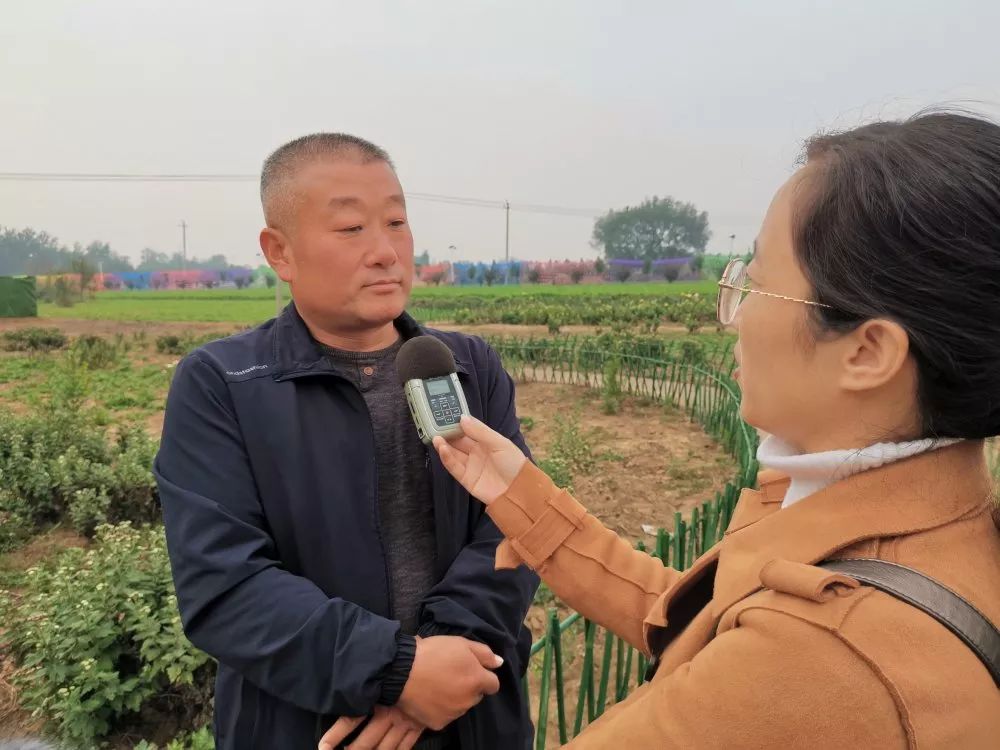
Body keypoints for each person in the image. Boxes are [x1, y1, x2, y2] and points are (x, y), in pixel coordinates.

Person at [427, 112, 1000, 747]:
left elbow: (749, 666)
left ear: (868, 352)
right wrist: (522, 496)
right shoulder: (922, 526)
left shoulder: (819, 661)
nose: (734, 313)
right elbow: (694, 622)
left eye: (756, 285)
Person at [155, 133, 538, 750]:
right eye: (352, 228)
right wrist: (395, 671)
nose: (386, 251)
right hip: (314, 726)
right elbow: (225, 584)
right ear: (279, 251)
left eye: (396, 222)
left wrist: (438, 668)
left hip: (472, 712)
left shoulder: (465, 368)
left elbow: (515, 529)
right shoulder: (224, 385)